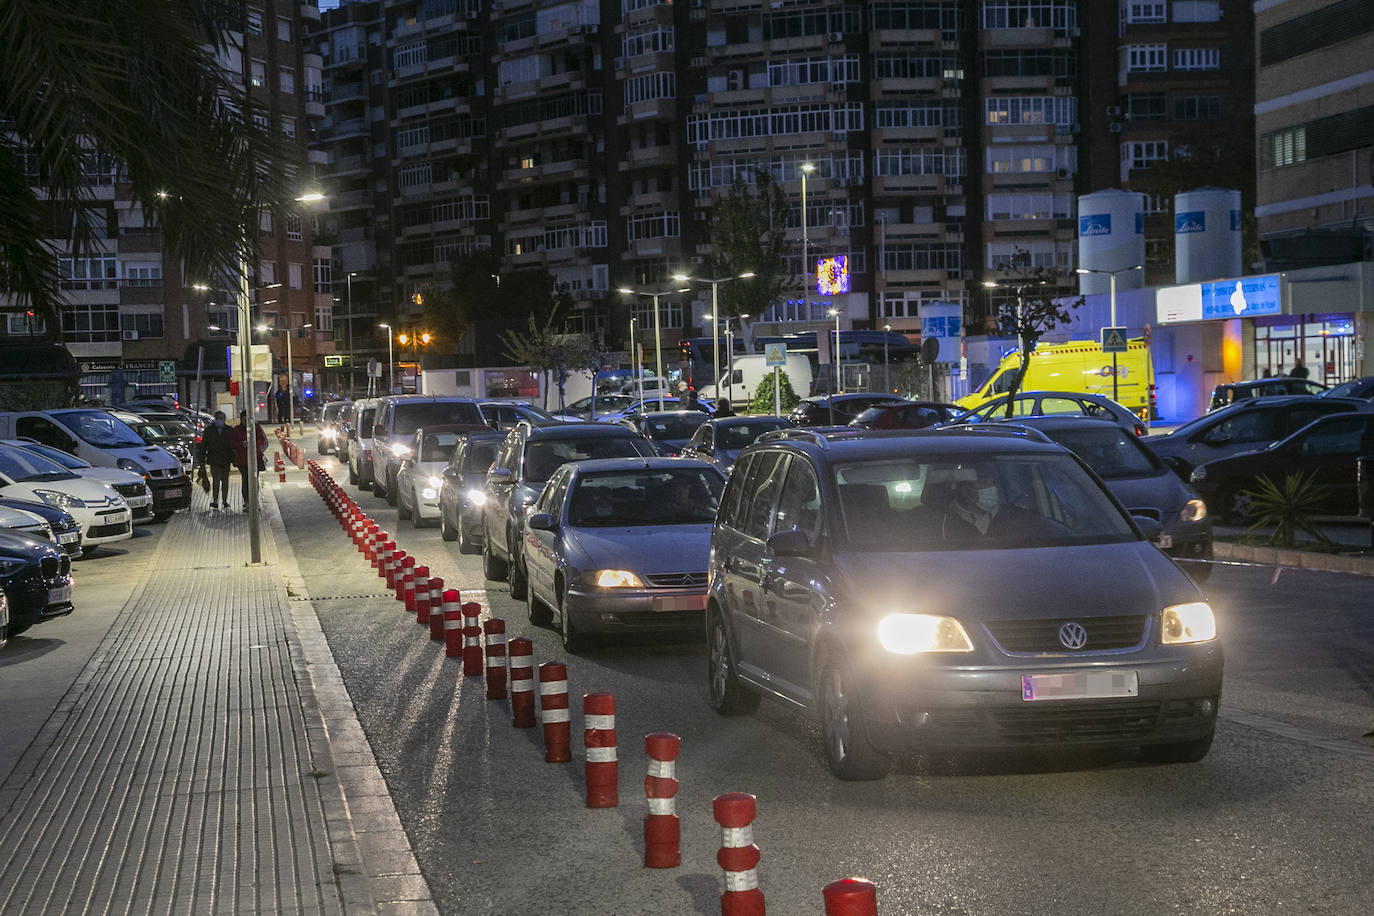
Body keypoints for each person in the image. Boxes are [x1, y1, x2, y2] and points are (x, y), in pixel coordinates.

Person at [230, 409, 268, 512]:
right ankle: (247, 502)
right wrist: (242, 445)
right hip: (242, 460)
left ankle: (255, 501)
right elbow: (232, 444)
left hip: (255, 459)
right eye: (244, 419)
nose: (246, 421)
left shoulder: (256, 428)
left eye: (248, 419)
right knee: (246, 481)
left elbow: (263, 441)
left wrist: (254, 445)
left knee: (254, 481)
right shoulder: (237, 430)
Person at [196, 410, 234, 509]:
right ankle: (215, 500)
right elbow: (203, 446)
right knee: (216, 481)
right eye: (218, 419)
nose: (220, 421)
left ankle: (225, 500)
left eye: (221, 419)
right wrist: (202, 461)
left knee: (225, 481)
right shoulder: (209, 430)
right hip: (214, 459)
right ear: (215, 420)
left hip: (226, 459)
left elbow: (232, 446)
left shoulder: (229, 430)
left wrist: (233, 458)